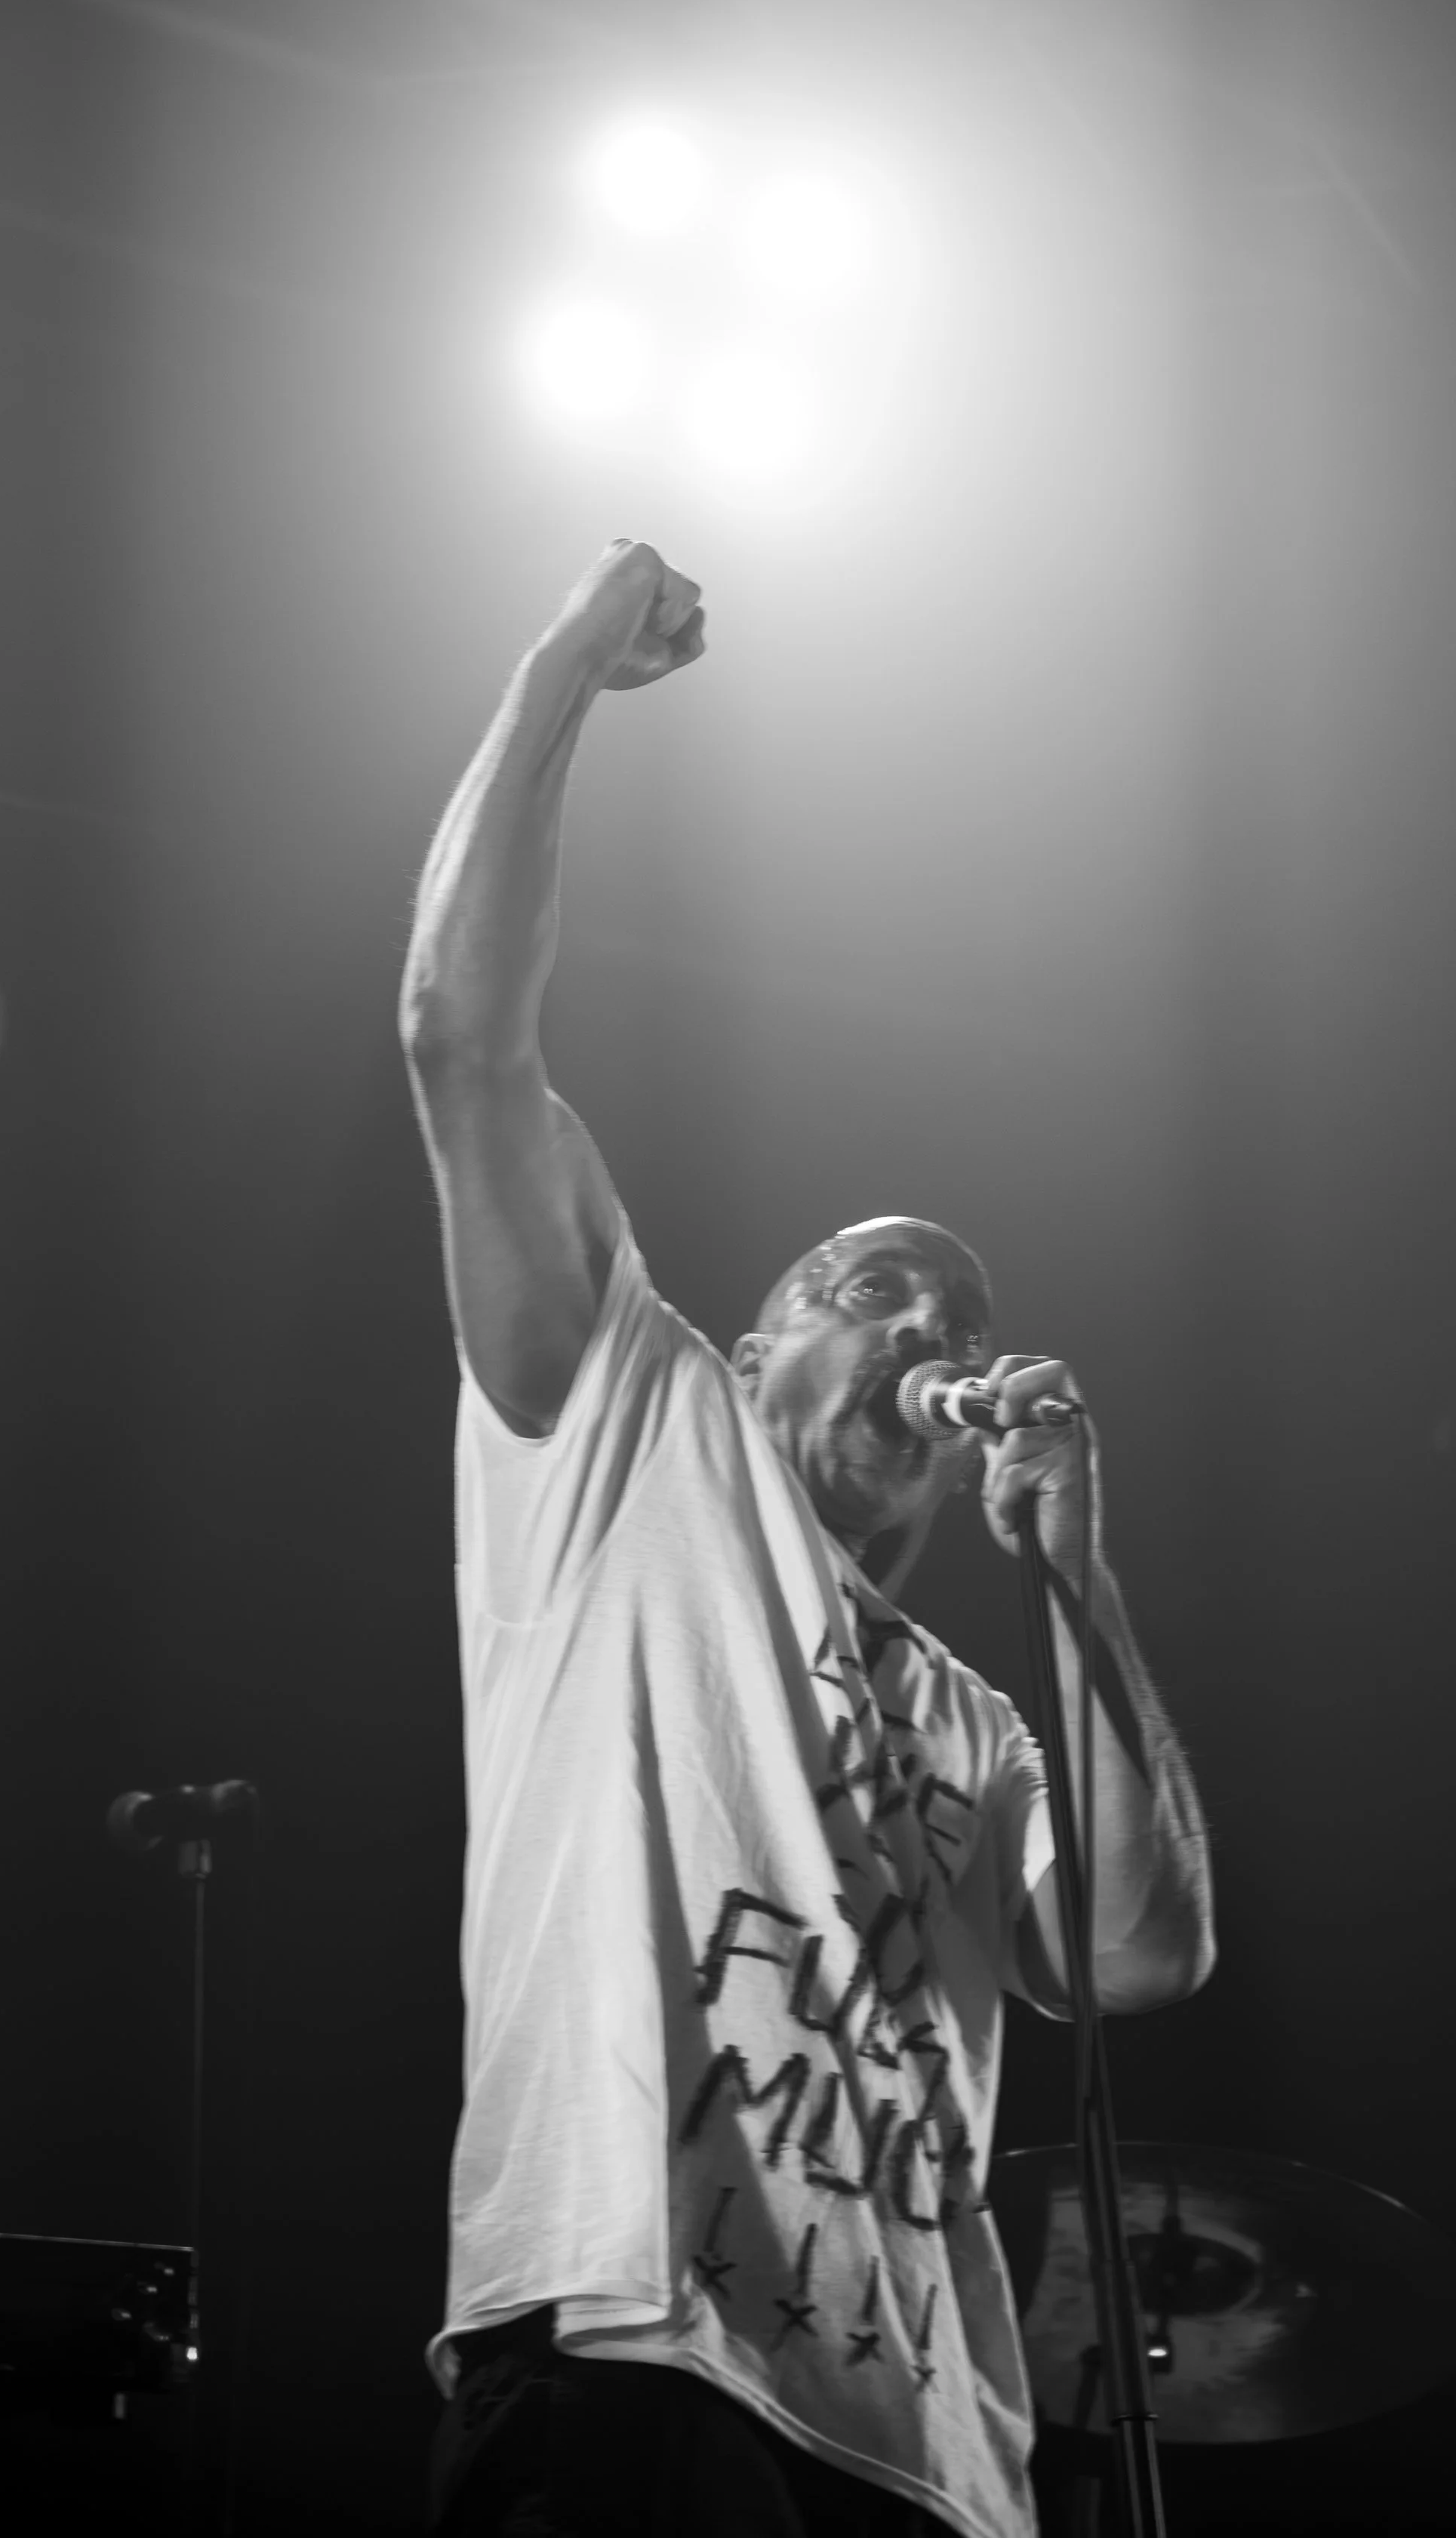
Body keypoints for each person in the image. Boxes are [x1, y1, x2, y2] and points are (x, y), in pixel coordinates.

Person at [400, 541, 1214, 2538]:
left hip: (935, 2462)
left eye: (956, 1313)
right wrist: (569, 662)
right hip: (639, 2352)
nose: (929, 1329)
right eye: (874, 1288)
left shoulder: (977, 1715)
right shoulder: (633, 1423)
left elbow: (1137, 1953)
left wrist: (1077, 1577)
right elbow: (458, 1037)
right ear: (761, 1343)